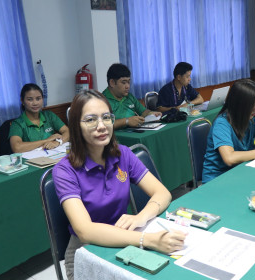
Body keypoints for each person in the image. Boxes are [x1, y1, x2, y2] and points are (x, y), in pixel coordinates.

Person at [53, 90, 186, 279]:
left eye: (106, 117)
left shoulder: (123, 154)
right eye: (91, 120)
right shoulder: (64, 170)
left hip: (125, 237)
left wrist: (141, 217)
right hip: (87, 251)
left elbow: (162, 193)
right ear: (76, 126)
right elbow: (85, 231)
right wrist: (146, 240)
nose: (102, 126)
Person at [9, 83, 69, 153]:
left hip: (51, 156)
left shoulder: (49, 115)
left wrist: (57, 142)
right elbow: (17, 148)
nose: (35, 103)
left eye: (38, 98)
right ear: (22, 101)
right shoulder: (17, 123)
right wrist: (47, 140)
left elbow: (67, 131)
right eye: (30, 99)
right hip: (31, 161)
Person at [103, 63, 162, 129]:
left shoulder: (129, 96)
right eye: (123, 82)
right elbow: (104, 124)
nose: (127, 86)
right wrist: (127, 121)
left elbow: (143, 112)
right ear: (112, 83)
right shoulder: (102, 100)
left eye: (128, 82)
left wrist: (151, 114)